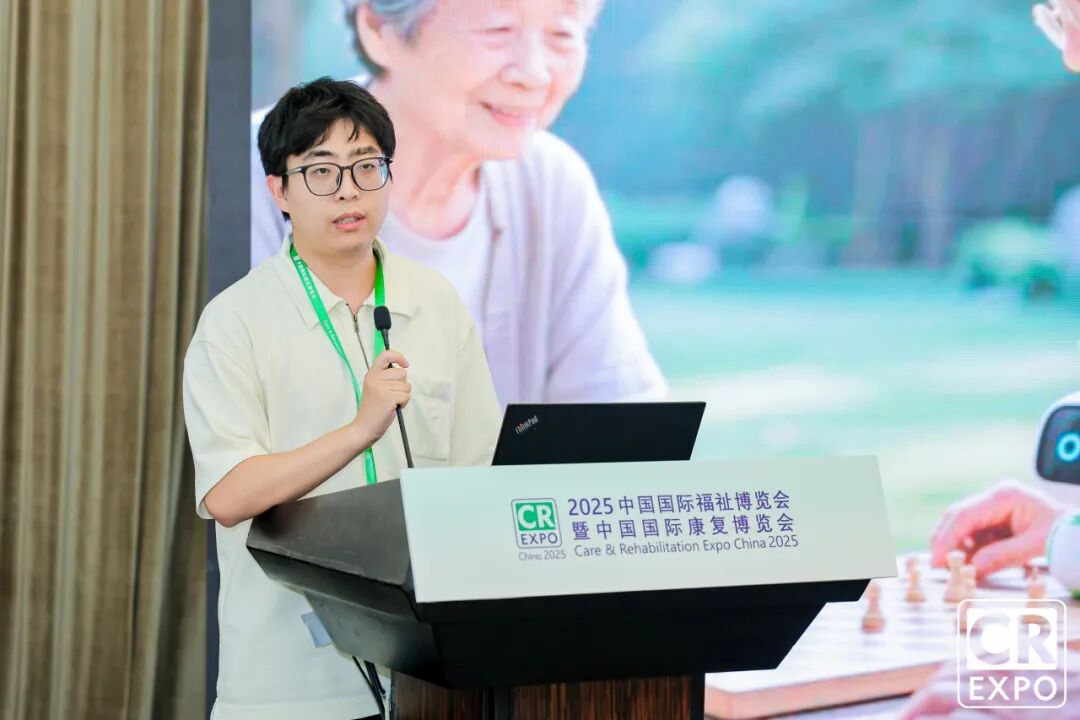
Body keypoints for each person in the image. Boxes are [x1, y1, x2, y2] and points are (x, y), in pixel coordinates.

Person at [185, 78, 500, 719]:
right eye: (322, 171)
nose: (349, 190)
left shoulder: (434, 302)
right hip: (288, 686)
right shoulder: (236, 321)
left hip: (429, 674)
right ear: (279, 190)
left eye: (366, 166)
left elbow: (481, 473)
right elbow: (228, 495)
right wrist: (359, 431)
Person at [251, 0, 666, 407]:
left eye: (562, 34)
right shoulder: (252, 177)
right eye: (497, 29)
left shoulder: (551, 187)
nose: (534, 73)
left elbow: (620, 419)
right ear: (378, 29)